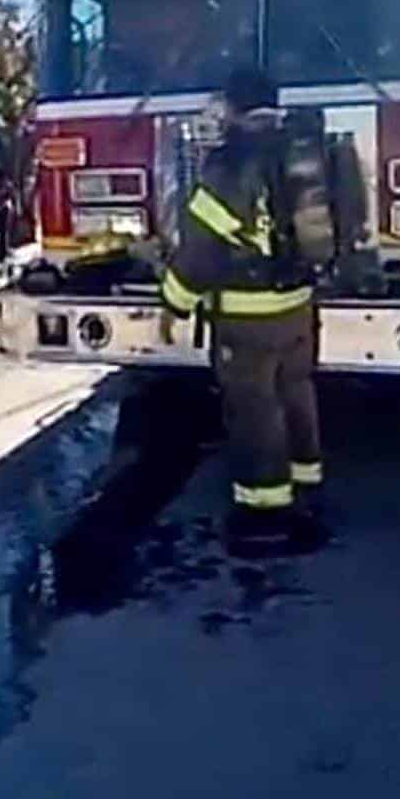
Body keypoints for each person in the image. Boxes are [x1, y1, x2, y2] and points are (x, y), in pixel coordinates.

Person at [159, 66, 327, 554]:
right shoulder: (304, 146)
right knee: (297, 397)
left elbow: (201, 249)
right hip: (298, 305)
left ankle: (264, 518)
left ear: (233, 107)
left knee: (255, 412)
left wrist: (174, 302)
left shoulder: (231, 161)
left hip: (249, 314)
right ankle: (307, 491)